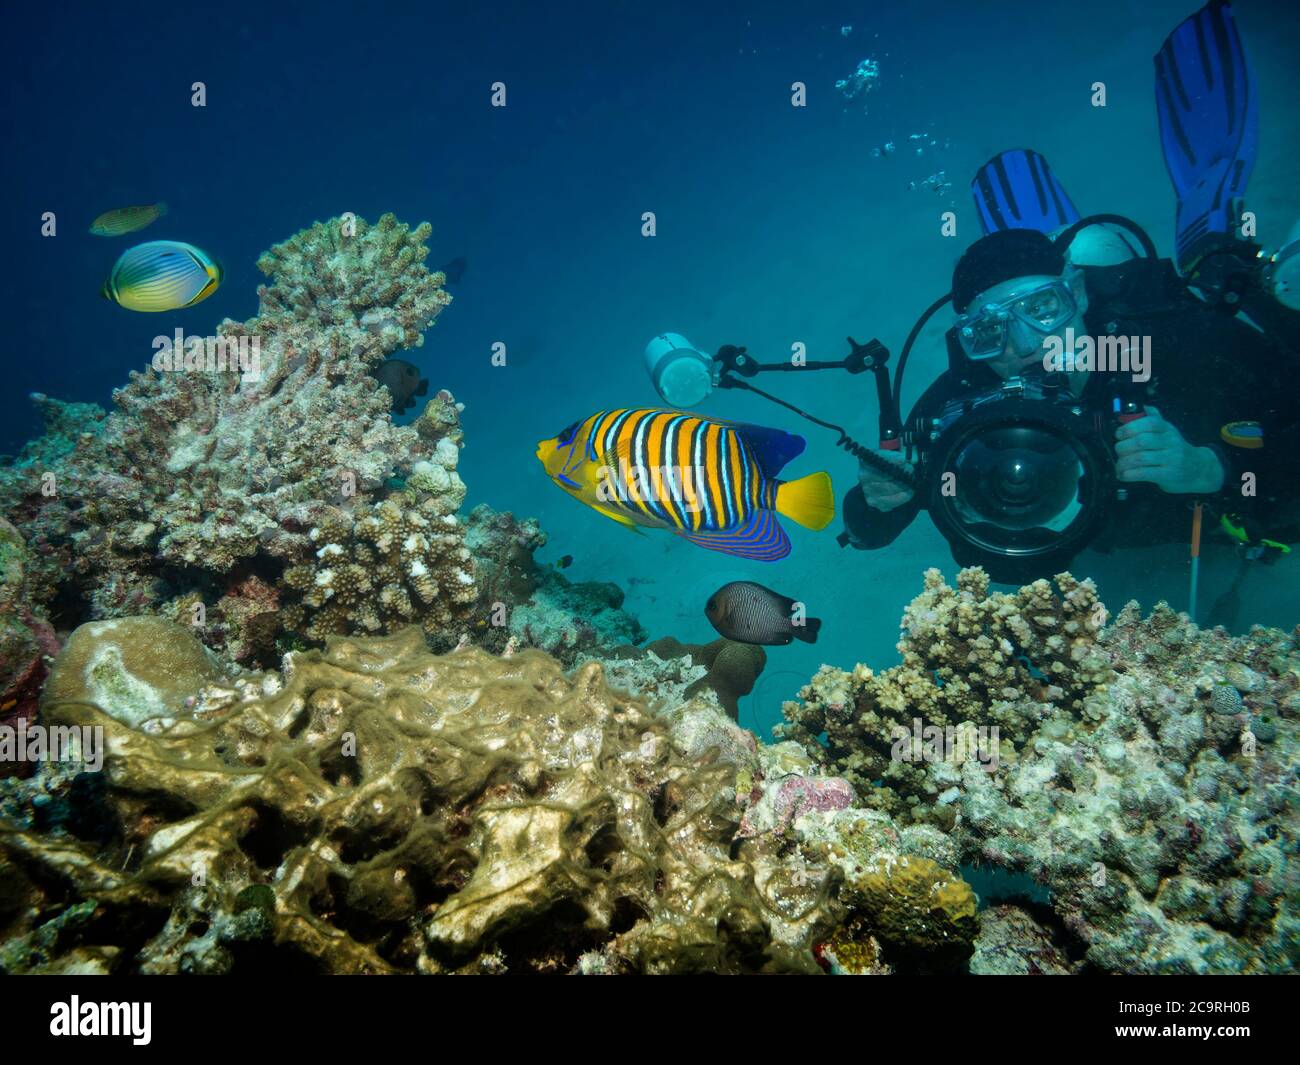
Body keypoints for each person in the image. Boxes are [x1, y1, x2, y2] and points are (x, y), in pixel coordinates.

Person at [840, 227, 1300, 581]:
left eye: (1042, 309)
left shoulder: (1178, 347)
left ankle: (1210, 250)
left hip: (1202, 525)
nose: (1023, 346)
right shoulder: (960, 406)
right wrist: (879, 498)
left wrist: (1211, 467)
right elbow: (865, 534)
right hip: (1107, 544)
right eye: (988, 332)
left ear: (1076, 294)